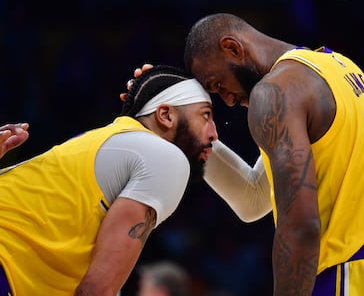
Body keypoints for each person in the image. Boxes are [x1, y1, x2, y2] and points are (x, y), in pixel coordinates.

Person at [180, 13, 364, 295]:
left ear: (233, 48)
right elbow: (254, 198)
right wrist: (184, 129)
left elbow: (301, 227)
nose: (227, 100)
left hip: (345, 277)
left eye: (218, 84)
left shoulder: (274, 93)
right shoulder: (338, 68)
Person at [0, 65, 218, 295]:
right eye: (205, 116)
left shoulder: (104, 142)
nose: (214, 133)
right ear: (165, 116)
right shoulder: (166, 157)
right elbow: (96, 290)